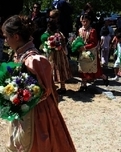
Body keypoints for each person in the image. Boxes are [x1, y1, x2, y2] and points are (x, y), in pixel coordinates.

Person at [2, 15, 76, 152]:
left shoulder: (33, 60)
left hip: (37, 112)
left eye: (6, 37)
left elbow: (45, 90)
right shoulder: (19, 54)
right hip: (24, 110)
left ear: (16, 36)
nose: (5, 41)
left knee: (38, 144)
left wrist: (21, 96)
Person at [41, 9, 72, 95]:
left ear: (57, 17)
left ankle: (62, 87)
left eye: (52, 17)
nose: (50, 19)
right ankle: (52, 87)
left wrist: (59, 41)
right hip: (52, 51)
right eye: (50, 17)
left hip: (59, 51)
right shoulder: (49, 25)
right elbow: (45, 35)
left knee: (59, 67)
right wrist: (48, 43)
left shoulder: (61, 25)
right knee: (51, 68)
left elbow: (63, 37)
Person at [77, 13, 109, 91]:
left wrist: (85, 47)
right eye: (83, 21)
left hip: (91, 52)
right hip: (82, 52)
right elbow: (79, 40)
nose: (84, 23)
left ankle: (104, 77)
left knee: (95, 69)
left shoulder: (92, 31)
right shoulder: (80, 30)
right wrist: (77, 46)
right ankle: (83, 84)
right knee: (82, 67)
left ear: (89, 21)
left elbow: (94, 43)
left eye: (86, 21)